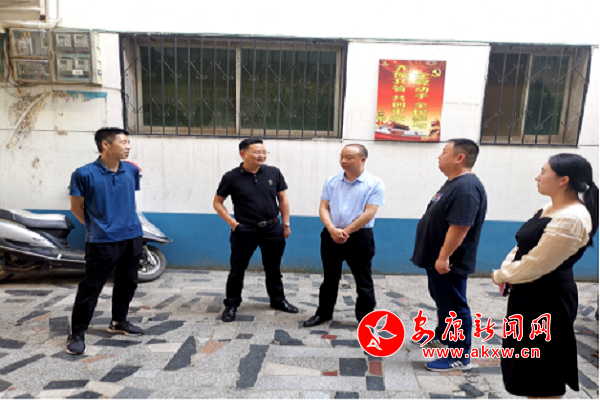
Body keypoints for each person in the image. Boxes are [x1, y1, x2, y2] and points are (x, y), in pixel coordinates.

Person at [492, 153, 598, 398]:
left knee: (544, 370)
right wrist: (507, 273)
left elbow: (538, 263)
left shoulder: (572, 218)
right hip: (527, 293)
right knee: (527, 368)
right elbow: (521, 246)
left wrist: (500, 275)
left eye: (543, 172)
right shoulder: (548, 208)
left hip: (548, 300)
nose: (537, 177)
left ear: (563, 180)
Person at [411, 138, 487, 371]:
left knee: (455, 306)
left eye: (444, 152)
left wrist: (443, 257)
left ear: (459, 157)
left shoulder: (466, 189)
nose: (439, 156)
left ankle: (459, 356)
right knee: (443, 301)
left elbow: (460, 227)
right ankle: (444, 337)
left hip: (449, 262)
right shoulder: (454, 183)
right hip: (438, 259)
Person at [66, 127, 144, 355]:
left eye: (128, 142)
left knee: (128, 282)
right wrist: (97, 226)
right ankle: (77, 333)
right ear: (106, 145)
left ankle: (119, 322)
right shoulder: (84, 174)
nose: (128, 146)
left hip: (132, 235)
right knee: (91, 287)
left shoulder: (131, 170)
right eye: (124, 142)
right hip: (102, 241)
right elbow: (76, 207)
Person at [213, 138, 298, 322]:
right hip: (245, 230)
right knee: (237, 269)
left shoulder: (274, 173)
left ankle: (278, 300)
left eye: (264, 152)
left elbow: (283, 199)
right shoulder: (231, 177)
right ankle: (231, 304)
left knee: (273, 268)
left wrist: (286, 224)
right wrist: (233, 223)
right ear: (242, 154)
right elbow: (217, 202)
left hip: (272, 228)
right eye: (257, 152)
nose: (262, 155)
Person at [303, 144, 385, 328]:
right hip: (331, 234)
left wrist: (346, 231)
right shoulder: (331, 181)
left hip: (360, 237)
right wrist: (332, 229)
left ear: (362, 159)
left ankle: (365, 318)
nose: (343, 161)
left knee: (363, 279)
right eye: (341, 157)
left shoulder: (375, 183)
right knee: (329, 278)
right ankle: (323, 313)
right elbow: (324, 207)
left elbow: (369, 213)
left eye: (349, 157)